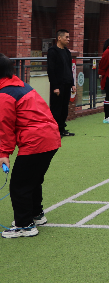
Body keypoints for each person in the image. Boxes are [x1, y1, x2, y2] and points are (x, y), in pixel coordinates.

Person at [0, 54, 61, 239]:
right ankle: (36, 214)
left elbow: (5, 126)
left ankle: (24, 225)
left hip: (37, 140)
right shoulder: (21, 86)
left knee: (19, 184)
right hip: (50, 137)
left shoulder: (5, 94)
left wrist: (4, 153)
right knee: (32, 180)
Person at [46, 29, 76, 137]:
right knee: (56, 108)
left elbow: (69, 69)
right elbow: (51, 70)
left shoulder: (67, 52)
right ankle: (54, 131)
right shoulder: (52, 51)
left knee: (64, 108)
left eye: (69, 37)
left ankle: (62, 129)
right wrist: (55, 86)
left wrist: (72, 84)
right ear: (59, 38)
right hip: (58, 85)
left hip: (67, 84)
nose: (69, 39)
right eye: (66, 37)